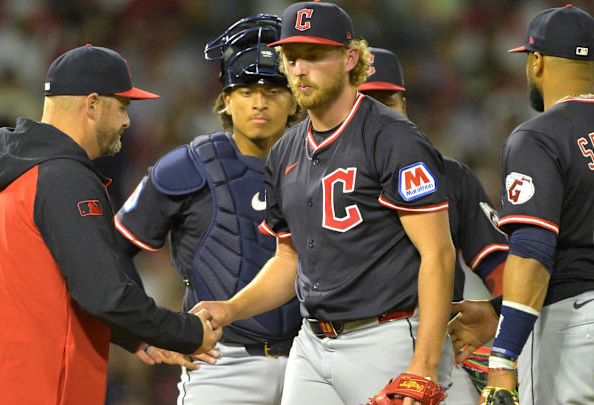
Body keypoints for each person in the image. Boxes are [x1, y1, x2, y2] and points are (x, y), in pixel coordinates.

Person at [192, 3, 456, 404]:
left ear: (351, 58)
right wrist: (230, 310)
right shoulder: (284, 152)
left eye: (314, 56)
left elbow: (437, 252)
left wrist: (424, 363)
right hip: (312, 345)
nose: (299, 69)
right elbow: (288, 260)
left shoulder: (392, 138)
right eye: (291, 57)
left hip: (386, 337)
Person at [0, 45, 221, 405]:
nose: (127, 121)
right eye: (122, 107)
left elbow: (60, 286)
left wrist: (136, 336)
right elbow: (106, 295)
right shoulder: (65, 177)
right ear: (92, 104)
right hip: (40, 388)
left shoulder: (15, 169)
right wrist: (187, 332)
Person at [113, 15, 302, 404]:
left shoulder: (326, 164)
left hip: (314, 357)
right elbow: (115, 250)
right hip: (224, 361)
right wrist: (152, 328)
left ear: (295, 100)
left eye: (273, 89)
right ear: (226, 101)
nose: (260, 102)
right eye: (246, 90)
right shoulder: (188, 166)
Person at [447, 5, 594, 405]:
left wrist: (503, 357)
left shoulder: (540, 135)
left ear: (537, 61)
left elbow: (533, 252)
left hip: (576, 328)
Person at [359, 47, 509, 403]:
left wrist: (498, 311)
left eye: (388, 103)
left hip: (434, 337)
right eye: (367, 105)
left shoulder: (450, 175)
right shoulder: (318, 178)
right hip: (345, 340)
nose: (379, 116)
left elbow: (498, 262)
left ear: (405, 107)